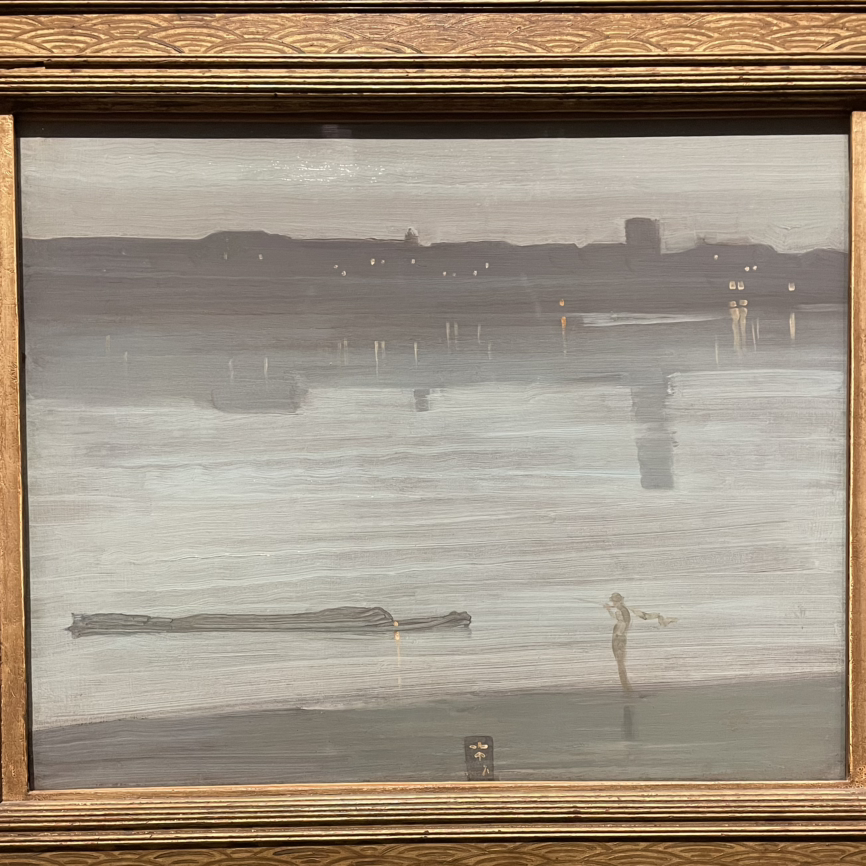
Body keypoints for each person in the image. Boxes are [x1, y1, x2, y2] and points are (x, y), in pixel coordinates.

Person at [604, 593, 678, 693]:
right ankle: (627, 689)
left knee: (620, 664)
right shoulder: (623, 611)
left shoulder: (623, 611)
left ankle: (627, 690)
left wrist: (618, 633)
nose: (614, 604)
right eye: (613, 602)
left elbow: (623, 623)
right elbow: (619, 618)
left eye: (615, 602)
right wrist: (609, 610)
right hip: (618, 639)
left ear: (620, 601)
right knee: (620, 664)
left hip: (619, 640)